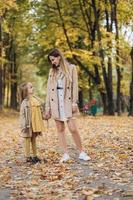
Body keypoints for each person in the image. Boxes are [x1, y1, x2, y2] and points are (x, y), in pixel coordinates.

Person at [45, 48, 91, 162]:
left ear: (59, 56)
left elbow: (75, 86)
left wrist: (74, 102)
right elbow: (49, 91)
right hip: (55, 102)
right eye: (51, 60)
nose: (53, 62)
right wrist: (47, 107)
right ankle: (65, 154)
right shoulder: (52, 72)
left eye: (53, 59)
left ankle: (82, 152)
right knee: (60, 129)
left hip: (67, 101)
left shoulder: (71, 68)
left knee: (73, 128)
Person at [19, 82, 45, 164]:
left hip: (35, 124)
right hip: (28, 125)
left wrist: (44, 116)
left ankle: (35, 155)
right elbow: (22, 115)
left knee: (33, 140)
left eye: (32, 87)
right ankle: (27, 156)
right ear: (25, 91)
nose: (32, 88)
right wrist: (23, 125)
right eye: (30, 87)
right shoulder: (24, 102)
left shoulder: (36, 100)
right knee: (27, 140)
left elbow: (40, 110)